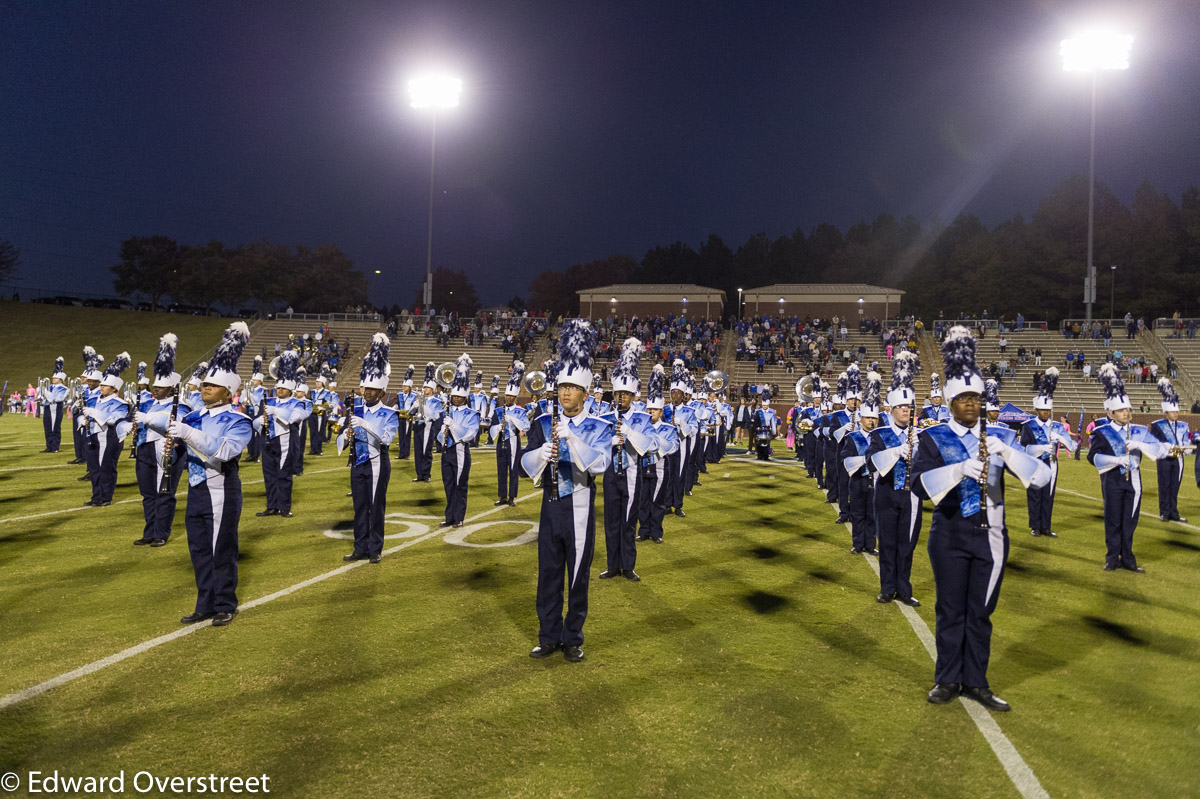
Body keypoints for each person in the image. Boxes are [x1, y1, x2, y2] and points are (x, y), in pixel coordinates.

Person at [911, 326, 1049, 712]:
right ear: (952, 402)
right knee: (950, 609)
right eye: (963, 398)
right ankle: (948, 678)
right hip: (950, 532)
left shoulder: (1001, 434)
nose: (971, 404)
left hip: (992, 534)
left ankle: (976, 681)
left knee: (981, 613)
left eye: (976, 397)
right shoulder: (933, 438)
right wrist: (957, 471)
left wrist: (1007, 451)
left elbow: (1042, 478)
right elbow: (918, 487)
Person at [520, 319, 611, 663]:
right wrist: (540, 454)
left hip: (581, 506)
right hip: (550, 505)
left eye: (572, 388)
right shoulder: (544, 421)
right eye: (562, 387)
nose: (565, 393)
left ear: (585, 393)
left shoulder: (598, 425)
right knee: (548, 573)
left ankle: (572, 636)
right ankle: (548, 636)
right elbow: (524, 464)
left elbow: (601, 465)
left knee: (577, 575)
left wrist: (573, 442)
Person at [171, 322, 253, 627]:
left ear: (228, 391)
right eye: (204, 384)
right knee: (200, 549)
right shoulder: (192, 417)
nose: (205, 388)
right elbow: (181, 455)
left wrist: (187, 433)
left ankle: (224, 603)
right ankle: (204, 602)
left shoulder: (239, 420)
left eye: (212, 385)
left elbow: (224, 451)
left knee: (223, 547)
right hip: (196, 489)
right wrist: (170, 451)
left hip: (222, 488)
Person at [1089, 364, 1165, 573]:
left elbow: (1160, 450)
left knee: (1130, 521)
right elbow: (1092, 457)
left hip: (1135, 482)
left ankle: (1128, 559)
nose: (1126, 413)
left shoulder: (1139, 430)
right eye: (1121, 410)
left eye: (1127, 409)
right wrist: (1116, 461)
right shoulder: (1102, 432)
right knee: (1113, 520)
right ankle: (1112, 558)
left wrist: (1140, 445)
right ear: (1110, 412)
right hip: (1112, 481)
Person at [867, 351, 923, 606]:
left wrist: (920, 448)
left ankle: (904, 588)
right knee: (887, 543)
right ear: (890, 409)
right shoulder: (879, 434)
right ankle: (888, 588)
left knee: (907, 544)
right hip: (887, 493)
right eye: (901, 407)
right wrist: (896, 451)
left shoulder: (920, 435)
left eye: (908, 406)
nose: (905, 410)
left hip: (911, 495)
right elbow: (871, 462)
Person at [340, 333, 399, 564]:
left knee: (376, 508)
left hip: (377, 463)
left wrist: (366, 425)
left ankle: (375, 548)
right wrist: (345, 435)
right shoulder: (356, 408)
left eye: (373, 390)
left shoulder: (390, 414)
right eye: (366, 389)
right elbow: (342, 442)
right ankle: (360, 548)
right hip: (358, 463)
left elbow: (385, 439)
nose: (367, 392)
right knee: (359, 507)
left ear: (382, 392)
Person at [600, 338, 653, 581]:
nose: (621, 397)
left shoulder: (642, 417)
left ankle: (628, 565)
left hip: (632, 473)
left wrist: (629, 434)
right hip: (611, 472)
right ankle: (613, 565)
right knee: (611, 521)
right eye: (618, 393)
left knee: (629, 521)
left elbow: (647, 446)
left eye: (626, 393)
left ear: (633, 394)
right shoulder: (606, 416)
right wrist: (610, 441)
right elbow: (596, 445)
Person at [132, 333, 188, 547]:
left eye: (160, 387)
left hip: (167, 450)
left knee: (163, 492)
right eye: (154, 386)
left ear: (172, 388)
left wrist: (147, 419)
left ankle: (161, 533)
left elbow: (172, 424)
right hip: (145, 449)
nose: (154, 389)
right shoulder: (149, 404)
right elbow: (136, 421)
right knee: (147, 494)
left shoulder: (180, 406)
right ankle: (149, 531)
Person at [1020, 368, 1073, 538]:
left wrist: (1061, 438)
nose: (1046, 413)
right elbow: (1025, 449)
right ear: (1037, 410)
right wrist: (1042, 448)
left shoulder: (1057, 426)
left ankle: (1046, 526)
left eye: (1048, 410)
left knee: (1048, 495)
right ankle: (1035, 525)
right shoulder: (1028, 426)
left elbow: (1073, 446)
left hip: (1051, 464)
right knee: (1035, 495)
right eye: (1043, 410)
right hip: (1035, 464)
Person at [254, 350, 307, 518]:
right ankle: (271, 506)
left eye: (283, 388)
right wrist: (260, 421)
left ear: (290, 389)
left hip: (285, 442)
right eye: (278, 387)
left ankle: (284, 507)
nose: (280, 390)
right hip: (267, 440)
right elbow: (254, 422)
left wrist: (275, 411)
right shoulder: (268, 401)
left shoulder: (298, 403)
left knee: (284, 476)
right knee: (269, 475)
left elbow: (295, 417)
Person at [82, 352, 132, 507]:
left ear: (114, 388)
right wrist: (82, 420)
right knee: (94, 469)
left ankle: (106, 497)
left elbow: (114, 420)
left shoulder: (120, 403)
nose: (101, 387)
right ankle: (96, 496)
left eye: (105, 385)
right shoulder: (92, 399)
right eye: (101, 385)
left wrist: (95, 413)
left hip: (109, 437)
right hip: (92, 436)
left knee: (106, 468)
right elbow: (83, 414)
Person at [438, 354, 482, 527]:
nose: (455, 398)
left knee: (459, 485)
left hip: (461, 452)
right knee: (448, 485)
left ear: (465, 396)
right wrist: (442, 432)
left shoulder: (472, 414)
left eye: (458, 396)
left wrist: (453, 426)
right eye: (454, 396)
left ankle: (459, 517)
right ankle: (449, 516)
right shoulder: (446, 411)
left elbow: (469, 435)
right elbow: (439, 437)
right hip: (446, 452)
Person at [637, 364, 678, 544]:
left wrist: (655, 444)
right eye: (649, 409)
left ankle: (656, 531)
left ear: (661, 411)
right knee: (643, 500)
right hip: (642, 466)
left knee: (657, 500)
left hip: (659, 467)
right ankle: (644, 530)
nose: (650, 412)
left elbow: (674, 446)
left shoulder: (668, 428)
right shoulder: (641, 427)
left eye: (654, 410)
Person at [841, 372, 881, 555]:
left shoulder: (881, 437)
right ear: (861, 419)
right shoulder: (852, 437)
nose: (871, 421)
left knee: (872, 514)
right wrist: (867, 460)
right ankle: (858, 543)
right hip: (857, 480)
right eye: (868, 418)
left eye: (874, 418)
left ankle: (870, 544)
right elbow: (845, 460)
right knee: (857, 513)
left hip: (875, 481)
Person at [1150, 377, 1189, 523]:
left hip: (1178, 456)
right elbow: (1153, 442)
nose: (1175, 414)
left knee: (1175, 485)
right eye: (1172, 412)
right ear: (1165, 413)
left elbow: (1185, 440)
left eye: (1176, 411)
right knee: (1164, 484)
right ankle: (1164, 512)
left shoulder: (1184, 425)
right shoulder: (1157, 425)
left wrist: (1185, 447)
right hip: (1164, 457)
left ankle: (1174, 512)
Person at [491, 361, 530, 507]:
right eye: (506, 395)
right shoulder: (498, 410)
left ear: (515, 397)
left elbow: (526, 427)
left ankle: (512, 496)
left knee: (513, 470)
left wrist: (512, 420)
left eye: (510, 396)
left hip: (513, 441)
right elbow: (491, 428)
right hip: (501, 441)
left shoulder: (520, 411)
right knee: (501, 469)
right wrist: (498, 428)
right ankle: (502, 496)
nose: (508, 398)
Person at [666, 360, 698, 517]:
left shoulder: (689, 411)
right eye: (673, 392)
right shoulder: (665, 409)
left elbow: (694, 430)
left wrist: (682, 423)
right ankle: (666, 504)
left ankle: (677, 504)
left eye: (678, 393)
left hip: (682, 445)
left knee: (679, 474)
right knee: (667, 474)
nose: (675, 395)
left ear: (683, 395)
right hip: (667, 446)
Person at [411, 363, 443, 483]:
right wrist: (414, 406)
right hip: (418, 426)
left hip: (428, 427)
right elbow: (411, 412)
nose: (425, 389)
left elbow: (435, 415)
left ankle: (426, 474)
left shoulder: (436, 400)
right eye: (424, 387)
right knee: (418, 451)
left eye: (427, 388)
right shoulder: (418, 398)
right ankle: (419, 474)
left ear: (433, 389)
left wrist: (423, 406)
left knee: (426, 451)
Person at [39, 357, 69, 452]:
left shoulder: (64, 388)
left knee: (55, 427)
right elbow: (45, 398)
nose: (53, 378)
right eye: (53, 377)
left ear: (61, 379)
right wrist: (41, 393)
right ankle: (49, 446)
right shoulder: (49, 386)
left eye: (55, 377)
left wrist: (45, 392)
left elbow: (56, 398)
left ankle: (55, 446)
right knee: (47, 427)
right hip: (48, 407)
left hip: (56, 408)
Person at [244, 357, 265, 463]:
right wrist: (245, 395)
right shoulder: (249, 389)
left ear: (260, 381)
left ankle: (256, 454)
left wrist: (250, 394)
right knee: (250, 434)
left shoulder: (263, 390)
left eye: (255, 380)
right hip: (249, 412)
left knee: (257, 434)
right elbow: (242, 400)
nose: (253, 381)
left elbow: (258, 401)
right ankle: (251, 453)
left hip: (258, 414)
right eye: (253, 380)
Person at [394, 365, 416, 460]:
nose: (404, 388)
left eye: (406, 386)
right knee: (401, 435)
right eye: (403, 386)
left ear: (410, 387)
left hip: (408, 417)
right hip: (401, 416)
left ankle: (406, 453)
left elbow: (415, 405)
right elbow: (397, 403)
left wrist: (411, 413)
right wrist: (395, 408)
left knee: (407, 436)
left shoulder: (414, 395)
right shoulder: (399, 394)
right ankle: (401, 453)